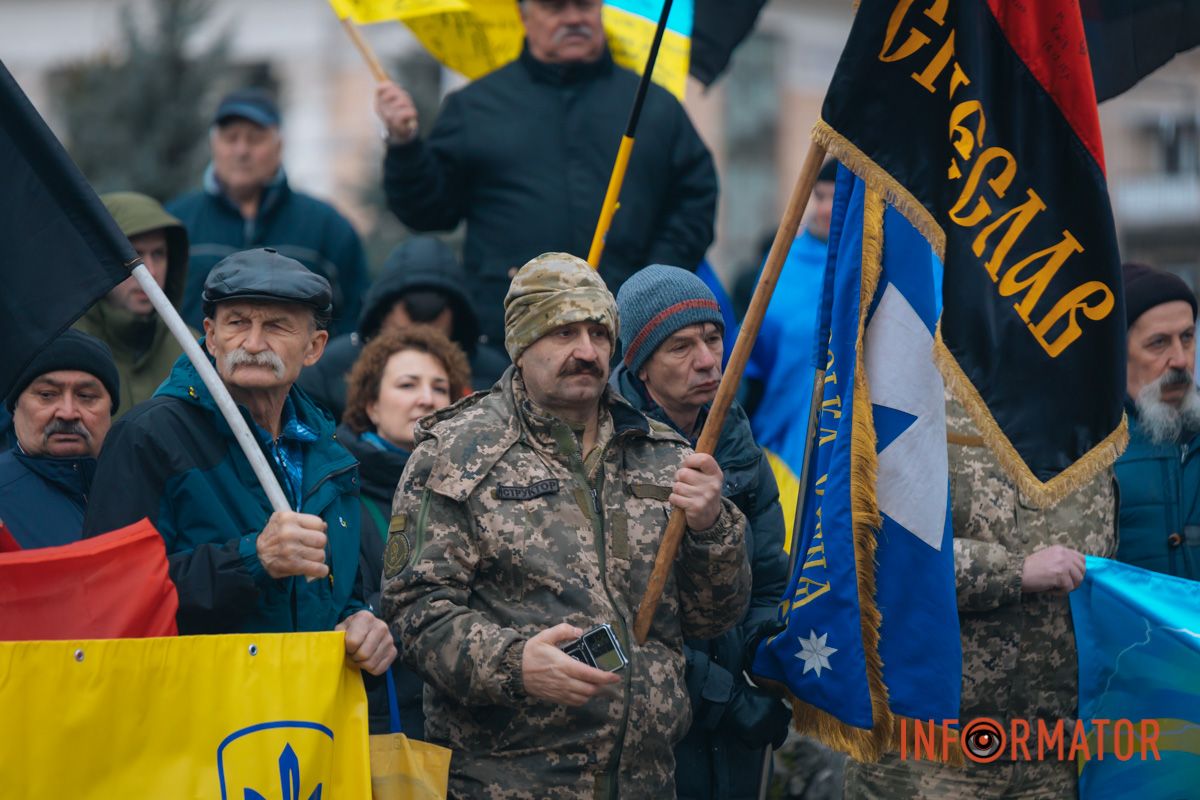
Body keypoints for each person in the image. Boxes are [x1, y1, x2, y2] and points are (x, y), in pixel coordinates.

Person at [381, 253, 751, 798]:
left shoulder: (662, 453)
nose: (586, 351)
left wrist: (712, 527)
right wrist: (516, 665)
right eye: (563, 332)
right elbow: (416, 616)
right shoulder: (458, 453)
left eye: (599, 333)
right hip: (510, 779)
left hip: (645, 779)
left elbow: (711, 616)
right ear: (522, 343)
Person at [82, 249, 395, 676]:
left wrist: (361, 624)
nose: (252, 343)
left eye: (277, 326)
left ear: (314, 347)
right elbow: (110, 597)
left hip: (303, 721)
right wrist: (253, 559)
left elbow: (338, 595)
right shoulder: (149, 436)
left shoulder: (331, 454)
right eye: (237, 323)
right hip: (198, 719)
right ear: (210, 336)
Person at [375, 0, 717, 359]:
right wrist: (405, 146)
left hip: (624, 339)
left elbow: (695, 201)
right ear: (523, 14)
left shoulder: (652, 106)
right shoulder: (474, 107)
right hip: (507, 341)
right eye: (555, 7)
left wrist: (648, 282)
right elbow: (428, 210)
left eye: (584, 5)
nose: (573, 18)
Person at [842, 397, 1116, 799]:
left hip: (1047, 759)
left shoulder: (1086, 420)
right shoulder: (913, 392)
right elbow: (877, 555)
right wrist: (1013, 572)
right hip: (925, 761)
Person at [612, 264, 791, 800]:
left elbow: (768, 577)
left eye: (713, 338)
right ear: (641, 366)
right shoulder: (610, 446)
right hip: (654, 720)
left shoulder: (734, 434)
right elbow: (621, 613)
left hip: (739, 724)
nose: (708, 359)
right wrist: (723, 698)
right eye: (681, 346)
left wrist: (766, 671)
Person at [339, 325, 471, 736]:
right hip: (387, 722)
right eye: (407, 384)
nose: (426, 398)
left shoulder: (476, 492)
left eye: (439, 387)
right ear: (371, 405)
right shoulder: (342, 496)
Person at [168, 88, 369, 336]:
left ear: (279, 146)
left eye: (255, 139)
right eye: (231, 138)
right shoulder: (177, 223)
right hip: (193, 373)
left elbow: (355, 321)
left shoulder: (327, 227)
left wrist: (321, 371)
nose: (242, 151)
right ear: (214, 145)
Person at [298, 236, 508, 419]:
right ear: (379, 319)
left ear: (456, 327)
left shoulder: (497, 379)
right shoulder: (328, 370)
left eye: (434, 343)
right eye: (401, 340)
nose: (425, 400)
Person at [742, 159, 838, 492]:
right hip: (779, 434)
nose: (825, 209)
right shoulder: (783, 261)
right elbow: (750, 352)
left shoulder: (876, 269)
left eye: (835, 199)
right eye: (819, 197)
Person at [1114, 262, 1200, 579]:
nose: (1180, 359)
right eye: (1159, 342)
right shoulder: (1084, 449)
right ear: (1117, 352)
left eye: (1188, 337)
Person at [74, 192, 192, 418]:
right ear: (98, 259)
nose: (151, 272)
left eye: (159, 254)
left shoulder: (190, 350)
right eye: (133, 255)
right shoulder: (63, 347)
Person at [0, 330, 118, 549]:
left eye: (86, 396)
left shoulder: (142, 486)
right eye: (47, 394)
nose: (68, 412)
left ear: (111, 410)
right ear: (14, 408)